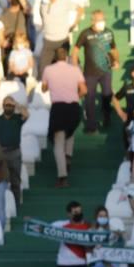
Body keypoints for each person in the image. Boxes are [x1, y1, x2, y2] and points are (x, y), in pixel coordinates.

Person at [42, 45, 87, 187]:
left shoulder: (48, 70)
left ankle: (62, 176)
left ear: (55, 57)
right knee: (70, 131)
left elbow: (44, 88)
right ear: (66, 56)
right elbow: (84, 90)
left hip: (58, 108)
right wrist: (74, 96)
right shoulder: (75, 70)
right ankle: (68, 155)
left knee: (58, 142)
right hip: (73, 107)